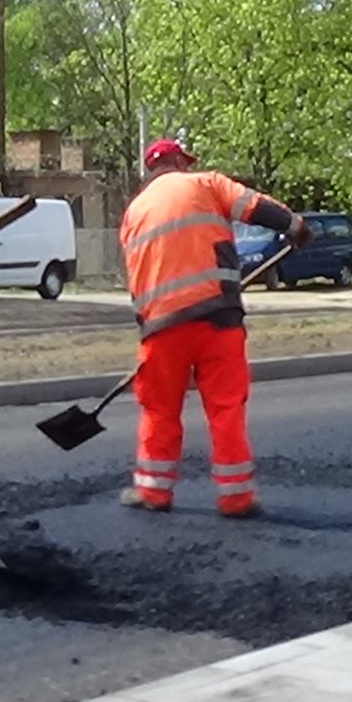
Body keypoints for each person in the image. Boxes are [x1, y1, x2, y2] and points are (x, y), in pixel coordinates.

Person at [117, 139, 309, 517]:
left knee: (159, 408)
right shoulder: (207, 184)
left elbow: (136, 280)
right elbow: (255, 207)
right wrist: (295, 225)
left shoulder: (133, 212)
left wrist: (149, 330)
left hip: (161, 326)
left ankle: (153, 492)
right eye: (184, 162)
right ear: (176, 161)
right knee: (225, 408)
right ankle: (236, 498)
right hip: (216, 317)